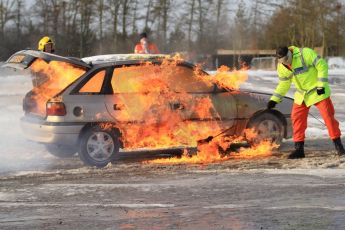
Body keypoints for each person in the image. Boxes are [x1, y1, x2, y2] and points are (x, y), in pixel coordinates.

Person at [267, 46, 345, 159]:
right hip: (302, 95)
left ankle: (339, 147)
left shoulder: (305, 54)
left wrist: (321, 85)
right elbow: (284, 84)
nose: (286, 63)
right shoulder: (281, 66)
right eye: (283, 61)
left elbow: (322, 65)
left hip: (318, 92)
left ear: (290, 53)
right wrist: (274, 99)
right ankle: (299, 150)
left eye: (287, 60)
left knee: (329, 118)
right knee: (297, 118)